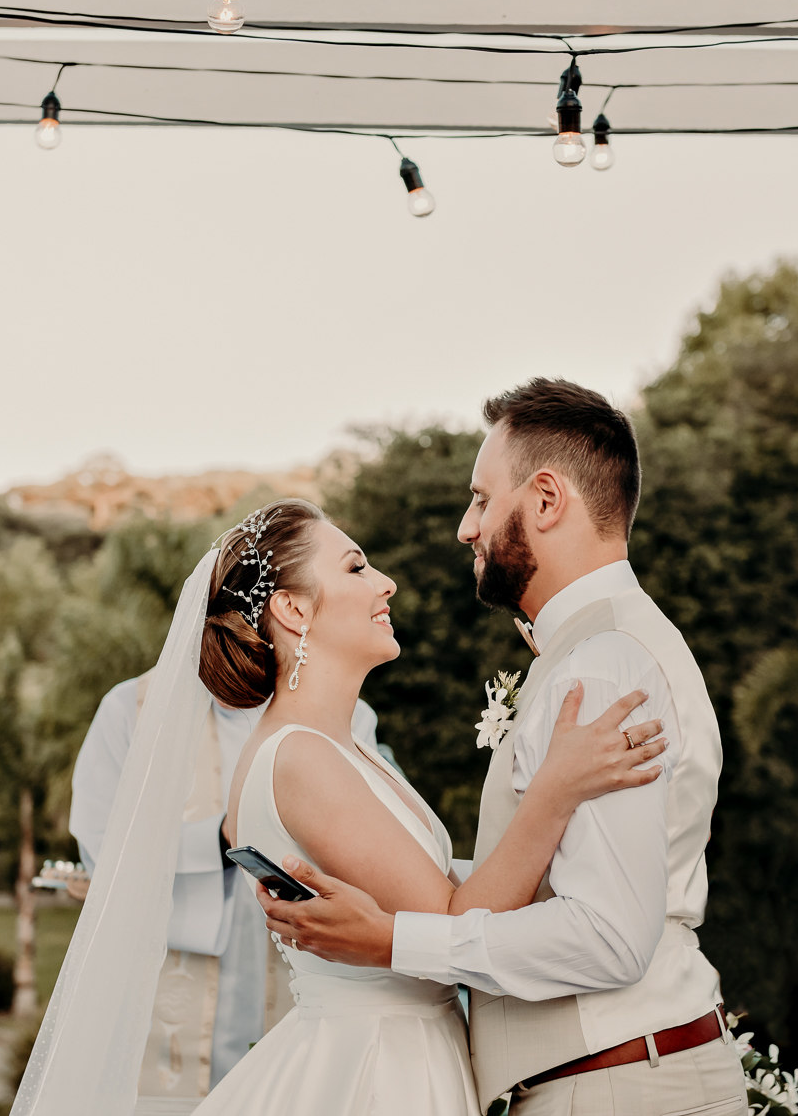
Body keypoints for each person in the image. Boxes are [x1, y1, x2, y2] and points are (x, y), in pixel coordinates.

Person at [259, 381, 748, 1115]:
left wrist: (393, 939)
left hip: (615, 1088)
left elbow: (606, 936)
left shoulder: (600, 665)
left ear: (546, 499)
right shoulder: (596, 649)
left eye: (482, 499)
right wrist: (398, 882)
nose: (466, 527)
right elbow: (569, 877)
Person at [70, 669, 381, 1106]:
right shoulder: (132, 707)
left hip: (300, 963)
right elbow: (99, 841)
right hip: (172, 978)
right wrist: (215, 838)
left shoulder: (346, 714)